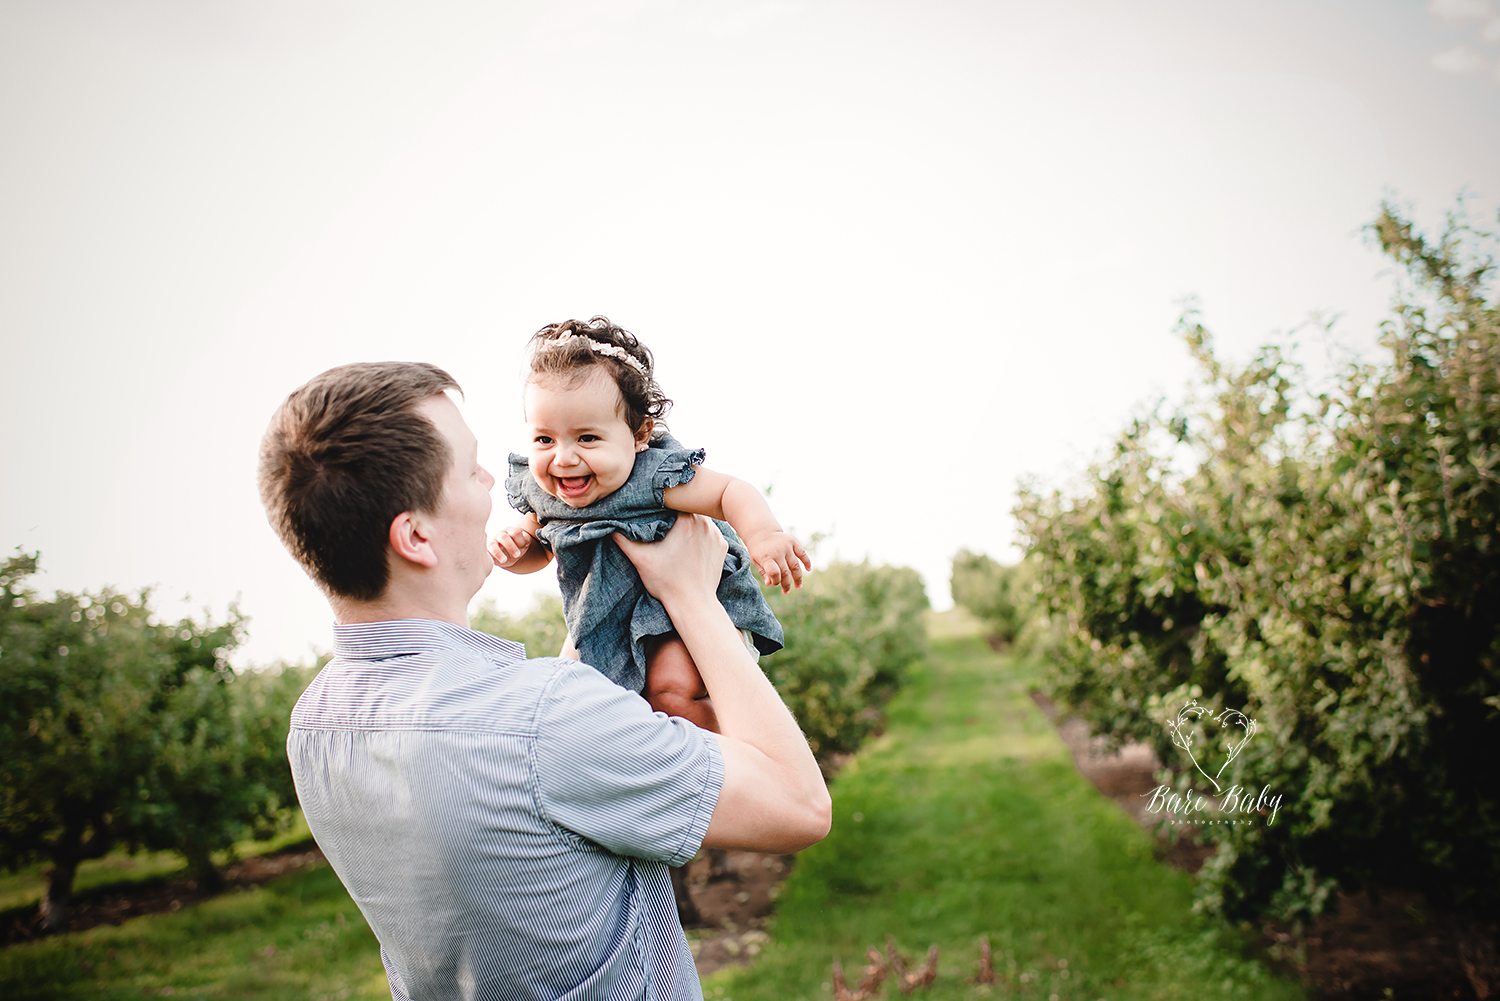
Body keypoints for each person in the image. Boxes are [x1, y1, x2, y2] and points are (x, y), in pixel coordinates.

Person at [257, 361, 830, 1001]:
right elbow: (799, 806)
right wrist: (688, 595)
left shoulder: (315, 726)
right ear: (415, 536)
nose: (493, 484)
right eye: (470, 470)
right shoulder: (545, 719)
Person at [491, 317, 812, 731]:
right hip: (605, 617)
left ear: (640, 435)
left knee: (670, 690)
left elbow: (729, 491)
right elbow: (539, 550)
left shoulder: (652, 475)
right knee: (567, 706)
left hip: (687, 610)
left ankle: (736, 760)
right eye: (544, 439)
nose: (563, 457)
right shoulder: (543, 493)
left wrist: (763, 535)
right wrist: (516, 548)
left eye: (587, 438)